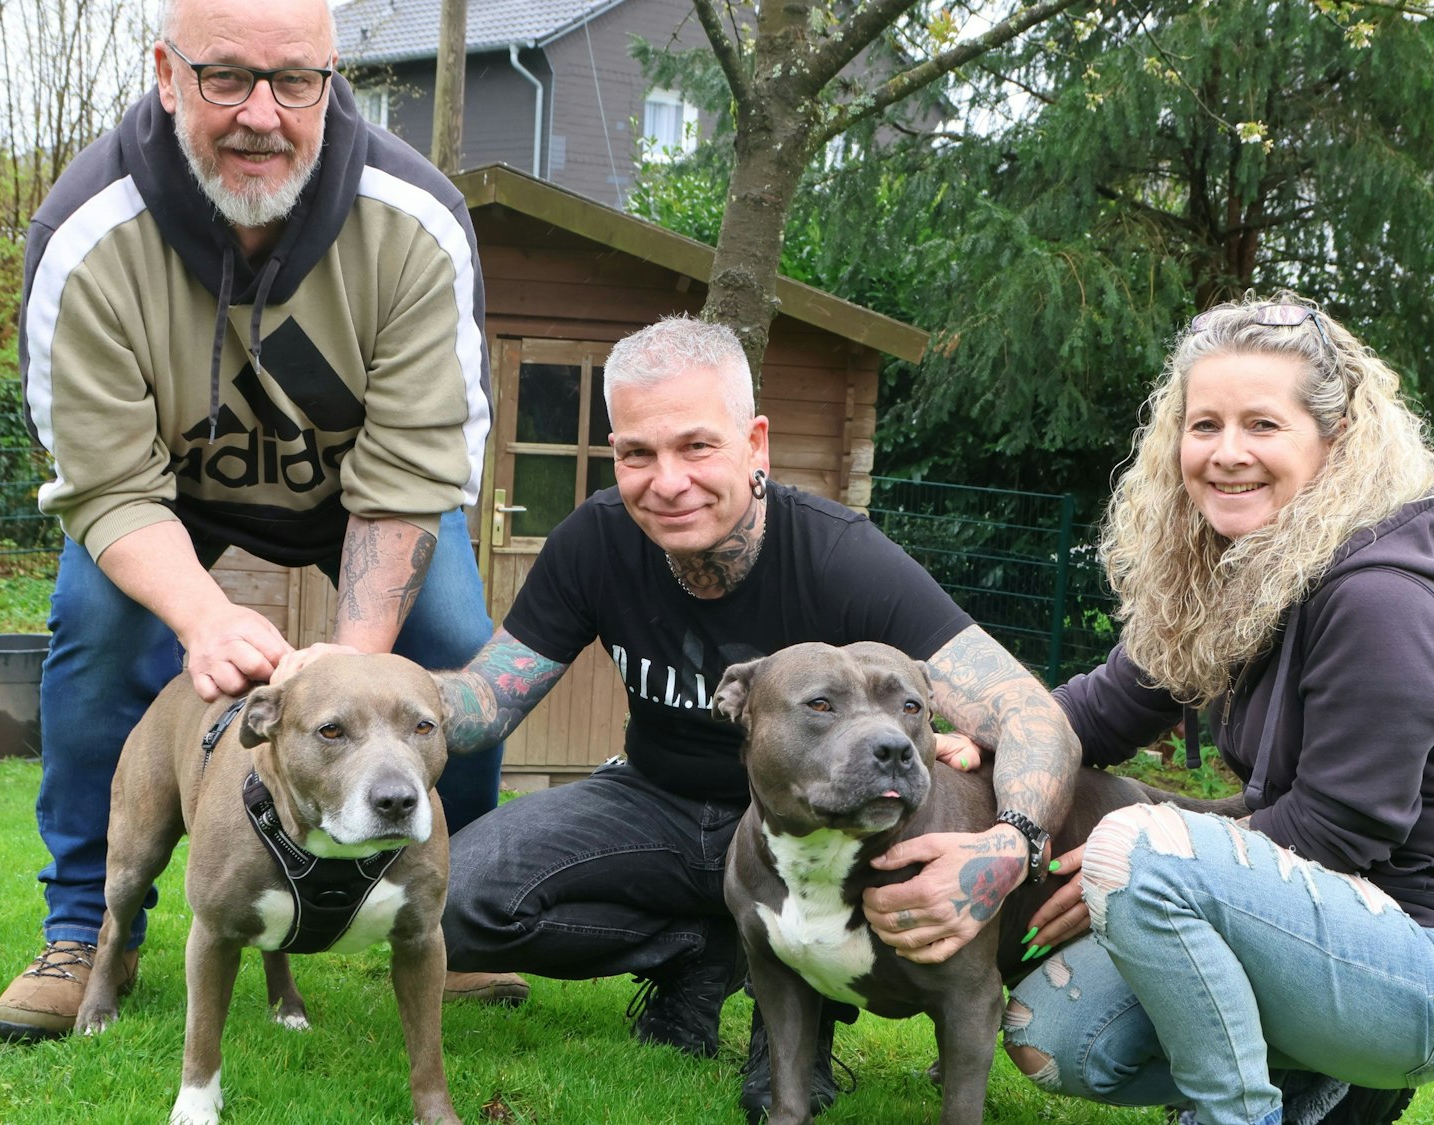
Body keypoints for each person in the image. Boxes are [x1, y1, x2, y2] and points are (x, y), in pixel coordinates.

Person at [280, 315, 1080, 1119]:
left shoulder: (841, 557)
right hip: (652, 800)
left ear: (755, 443)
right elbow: (487, 701)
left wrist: (1010, 844)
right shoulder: (595, 539)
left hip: (809, 828)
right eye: (637, 452)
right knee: (456, 899)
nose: (666, 480)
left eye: (697, 446)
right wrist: (348, 691)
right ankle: (699, 947)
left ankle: (806, 1008)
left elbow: (1033, 716)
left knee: (784, 1054)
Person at [0, 0, 500, 1042]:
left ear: (331, 77)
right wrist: (203, 619)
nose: (262, 114)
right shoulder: (85, 235)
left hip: (365, 490)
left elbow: (409, 474)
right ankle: (86, 925)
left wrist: (347, 668)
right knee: (97, 636)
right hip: (164, 495)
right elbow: (103, 481)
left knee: (454, 651)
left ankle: (456, 909)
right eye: (225, 77)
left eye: (295, 80)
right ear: (166, 72)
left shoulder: (414, 220)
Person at [962, 295, 1434, 1125]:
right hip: (1320, 927)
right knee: (1058, 1035)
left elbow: (1339, 828)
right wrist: (984, 738)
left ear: (1335, 440)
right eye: (1205, 425)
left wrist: (1131, 861)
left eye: (1262, 425)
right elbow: (1106, 709)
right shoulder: (1250, 567)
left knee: (1140, 847)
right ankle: (1331, 1080)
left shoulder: (1383, 596)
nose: (1227, 453)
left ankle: (1234, 1114)